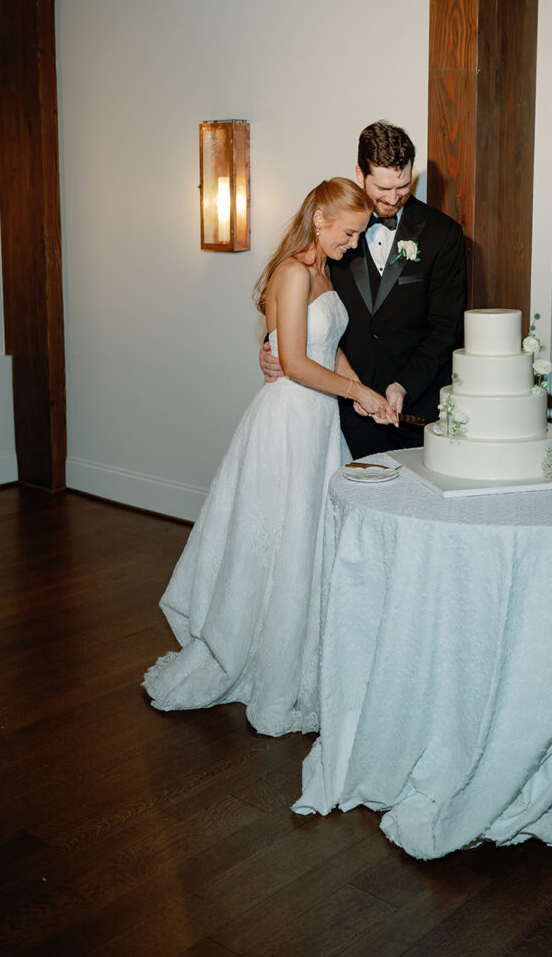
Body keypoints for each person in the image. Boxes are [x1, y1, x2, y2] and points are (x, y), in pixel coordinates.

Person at [143, 178, 396, 736]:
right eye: (349, 233)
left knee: (305, 541)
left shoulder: (325, 272)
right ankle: (247, 656)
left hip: (318, 424)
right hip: (286, 421)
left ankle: (297, 658)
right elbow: (295, 363)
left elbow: (329, 351)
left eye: (358, 236)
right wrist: (355, 393)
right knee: (276, 538)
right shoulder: (291, 271)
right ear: (321, 219)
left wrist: (368, 395)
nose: (353, 244)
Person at [261, 121, 467, 458]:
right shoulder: (336, 232)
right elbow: (301, 298)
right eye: (383, 188)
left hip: (413, 410)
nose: (393, 198)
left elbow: (446, 328)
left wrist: (404, 385)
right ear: (360, 174)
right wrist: (273, 347)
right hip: (341, 410)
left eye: (402, 186)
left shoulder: (442, 235)